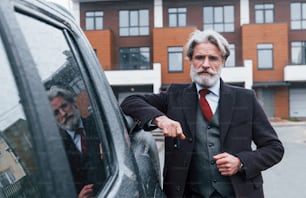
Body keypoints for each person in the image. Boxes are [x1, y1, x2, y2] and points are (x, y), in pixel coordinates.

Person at [120, 29, 284, 198]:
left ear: (223, 61)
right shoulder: (175, 95)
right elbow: (130, 101)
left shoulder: (245, 99)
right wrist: (160, 119)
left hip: (238, 193)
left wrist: (241, 162)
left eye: (213, 58)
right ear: (190, 60)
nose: (206, 64)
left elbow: (274, 148)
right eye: (199, 57)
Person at [47, 86, 105, 198]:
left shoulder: (99, 122)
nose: (63, 113)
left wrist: (115, 140)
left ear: (73, 104)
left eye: (64, 106)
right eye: (56, 113)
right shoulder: (59, 155)